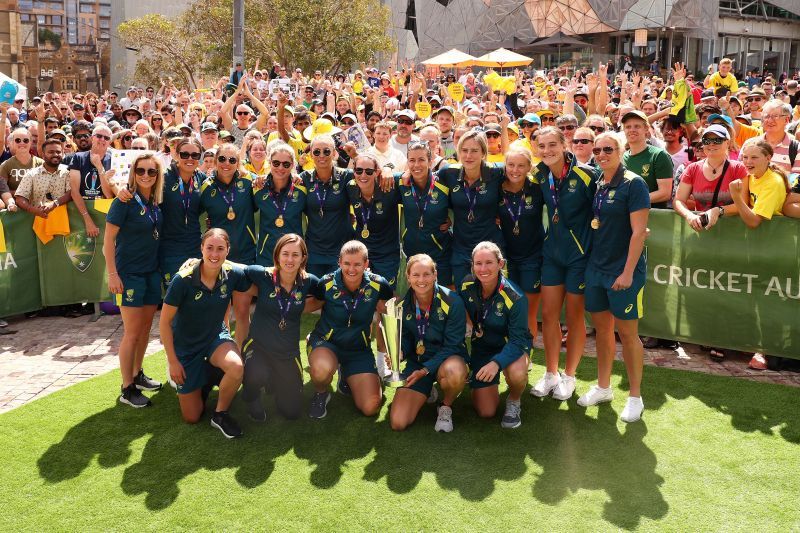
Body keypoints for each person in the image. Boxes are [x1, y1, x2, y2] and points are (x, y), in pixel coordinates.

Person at [579, 132, 650, 423]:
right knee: (603, 330)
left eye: (608, 148)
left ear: (620, 151)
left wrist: (628, 272)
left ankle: (635, 396)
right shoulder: (598, 182)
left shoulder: (635, 183)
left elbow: (639, 233)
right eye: (596, 149)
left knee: (629, 335)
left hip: (623, 271)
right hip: (596, 269)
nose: (601, 153)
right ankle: (604, 387)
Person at [160, 229, 251, 437]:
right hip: (187, 346)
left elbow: (262, 273)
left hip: (215, 338)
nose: (214, 254)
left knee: (236, 367)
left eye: (220, 249)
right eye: (209, 248)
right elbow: (164, 323)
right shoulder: (182, 280)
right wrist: (173, 361)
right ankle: (203, 377)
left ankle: (220, 415)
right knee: (192, 417)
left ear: (228, 250)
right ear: (201, 248)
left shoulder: (231, 272)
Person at [532, 126, 598, 401]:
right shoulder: (539, 173)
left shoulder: (586, 174)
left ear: (564, 143)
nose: (547, 151)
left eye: (552, 145)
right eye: (542, 146)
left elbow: (603, 208)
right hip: (552, 253)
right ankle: (550, 373)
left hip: (579, 256)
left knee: (573, 318)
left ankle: (569, 376)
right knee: (548, 315)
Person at [104, 153, 164, 408]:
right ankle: (126, 388)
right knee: (131, 333)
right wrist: (113, 274)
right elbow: (107, 241)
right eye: (141, 171)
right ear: (134, 172)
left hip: (151, 273)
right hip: (129, 274)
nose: (146, 176)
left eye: (152, 171)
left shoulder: (154, 201)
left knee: (144, 329)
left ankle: (137, 374)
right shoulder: (124, 200)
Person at [307, 241, 393, 418]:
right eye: (347, 263)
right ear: (339, 262)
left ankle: (346, 373)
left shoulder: (379, 285)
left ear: (366, 264)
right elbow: (310, 304)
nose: (351, 269)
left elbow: (388, 316)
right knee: (322, 368)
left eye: (357, 264)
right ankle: (321, 393)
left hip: (358, 349)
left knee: (371, 407)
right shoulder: (326, 283)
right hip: (328, 343)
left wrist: (387, 353)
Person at [239, 234, 320, 421]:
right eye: (285, 254)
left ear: (303, 258)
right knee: (255, 375)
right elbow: (234, 268)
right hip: (259, 347)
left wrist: (302, 308)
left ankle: (274, 380)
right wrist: (199, 261)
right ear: (277, 256)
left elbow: (329, 292)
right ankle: (251, 397)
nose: (290, 260)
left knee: (291, 411)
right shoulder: (263, 275)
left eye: (295, 254)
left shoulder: (309, 282)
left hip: (287, 353)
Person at [390, 254, 469, 433]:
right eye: (416, 275)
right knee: (398, 422)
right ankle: (427, 389)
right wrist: (400, 352)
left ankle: (445, 406)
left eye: (426, 274)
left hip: (447, 360)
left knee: (454, 372)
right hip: (417, 363)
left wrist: (425, 370)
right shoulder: (402, 305)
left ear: (435, 275)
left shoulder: (453, 301)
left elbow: (453, 345)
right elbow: (408, 339)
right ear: (408, 277)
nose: (421, 280)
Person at [459, 242, 532, 428]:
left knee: (516, 373)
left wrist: (497, 363)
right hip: (483, 347)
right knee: (486, 412)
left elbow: (518, 340)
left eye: (489, 262)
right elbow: (459, 310)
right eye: (478, 263)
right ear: (472, 265)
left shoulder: (515, 297)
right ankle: (479, 378)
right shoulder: (467, 285)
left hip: (511, 347)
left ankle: (514, 400)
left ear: (501, 264)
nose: (483, 269)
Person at [436, 130, 504, 286]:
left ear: (483, 153)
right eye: (464, 150)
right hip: (461, 248)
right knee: (464, 298)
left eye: (474, 151)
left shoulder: (497, 172)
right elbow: (424, 178)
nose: (468, 155)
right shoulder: (449, 173)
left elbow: (521, 171)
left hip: (491, 247)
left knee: (491, 298)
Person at [499, 148, 544, 342]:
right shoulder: (496, 188)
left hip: (532, 257)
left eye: (521, 165)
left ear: (529, 168)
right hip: (506, 258)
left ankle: (527, 355)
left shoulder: (537, 188)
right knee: (509, 309)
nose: (515, 170)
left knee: (527, 311)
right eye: (511, 165)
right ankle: (510, 351)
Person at [398, 140, 453, 286]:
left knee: (443, 296)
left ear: (430, 161)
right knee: (417, 295)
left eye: (421, 160)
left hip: (440, 252)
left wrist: (451, 221)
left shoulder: (443, 182)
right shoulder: (402, 183)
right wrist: (386, 168)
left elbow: (461, 205)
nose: (416, 165)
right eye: (412, 160)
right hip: (413, 253)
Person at [673, 125, 744, 234]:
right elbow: (678, 200)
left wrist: (718, 211)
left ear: (728, 143)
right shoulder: (692, 169)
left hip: (733, 232)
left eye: (718, 140)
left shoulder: (739, 169)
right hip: (701, 231)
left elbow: (744, 203)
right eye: (707, 140)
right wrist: (689, 216)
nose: (711, 144)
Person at [300, 134, 354, 277]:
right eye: (316, 152)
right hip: (314, 250)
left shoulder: (346, 176)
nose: (321, 155)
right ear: (311, 154)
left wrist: (356, 155)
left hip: (341, 250)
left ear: (335, 153)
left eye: (326, 151)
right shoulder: (304, 178)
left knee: (334, 296)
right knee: (313, 297)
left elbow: (370, 171)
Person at [253, 142, 306, 266]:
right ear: (269, 162)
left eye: (286, 164)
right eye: (276, 163)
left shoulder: (302, 189)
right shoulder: (257, 187)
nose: (280, 168)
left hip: (293, 256)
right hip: (266, 254)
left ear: (292, 165)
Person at [730, 139, 789, 229]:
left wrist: (736, 197)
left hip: (775, 234)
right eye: (745, 157)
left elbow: (754, 222)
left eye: (754, 157)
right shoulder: (751, 175)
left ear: (768, 158)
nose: (748, 161)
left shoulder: (773, 182)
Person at [621, 111, 674, 208]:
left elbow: (665, 193)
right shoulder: (622, 157)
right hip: (625, 216)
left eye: (637, 126)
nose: (632, 130)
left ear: (646, 129)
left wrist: (633, 201)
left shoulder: (659, 155)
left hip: (652, 218)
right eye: (628, 127)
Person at [69, 124, 114, 237]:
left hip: (104, 212)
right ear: (92, 138)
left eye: (107, 138)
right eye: (99, 136)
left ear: (109, 142)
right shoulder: (79, 157)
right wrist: (87, 219)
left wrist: (100, 168)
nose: (102, 140)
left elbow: (108, 194)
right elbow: (74, 191)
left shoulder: (113, 159)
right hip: (82, 210)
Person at [12, 139, 71, 216]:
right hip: (37, 220)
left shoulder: (68, 171)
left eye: (58, 152)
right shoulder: (31, 174)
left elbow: (71, 193)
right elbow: (20, 198)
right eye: (51, 152)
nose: (55, 154)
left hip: (63, 220)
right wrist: (33, 210)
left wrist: (55, 204)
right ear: (43, 155)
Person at [0, 128, 43, 209]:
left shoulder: (41, 163)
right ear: (12, 143)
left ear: (31, 142)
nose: (22, 143)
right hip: (15, 209)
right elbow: (2, 189)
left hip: (38, 207)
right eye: (18, 140)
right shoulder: (5, 165)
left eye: (26, 140)